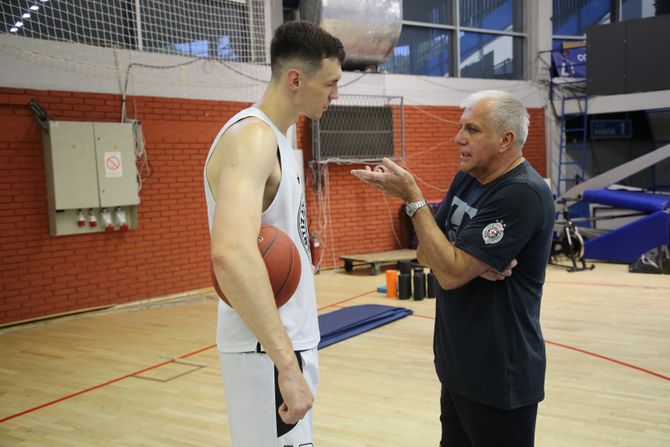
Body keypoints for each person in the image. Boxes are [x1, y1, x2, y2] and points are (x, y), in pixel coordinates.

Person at [351, 90, 554, 447]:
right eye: (462, 127)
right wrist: (461, 258)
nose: (458, 138)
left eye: (472, 130)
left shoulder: (522, 193)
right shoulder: (469, 177)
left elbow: (449, 273)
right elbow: (428, 257)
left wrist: (413, 197)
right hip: (457, 365)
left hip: (499, 374)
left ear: (505, 140)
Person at [204, 21, 344, 446]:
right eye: (331, 83)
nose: (336, 94)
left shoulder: (278, 139)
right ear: (296, 79)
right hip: (266, 349)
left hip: (282, 342)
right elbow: (230, 253)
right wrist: (286, 365)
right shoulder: (252, 138)